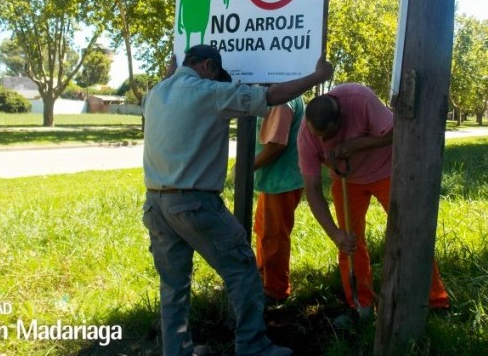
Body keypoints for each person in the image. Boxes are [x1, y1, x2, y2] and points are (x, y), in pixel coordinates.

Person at [142, 45, 332, 356]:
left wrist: (169, 71)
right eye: (217, 74)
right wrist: (317, 76)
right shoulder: (208, 91)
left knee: (173, 285)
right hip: (195, 204)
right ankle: (252, 345)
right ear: (207, 66)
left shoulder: (156, 93)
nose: (218, 80)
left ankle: (176, 350)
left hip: (155, 205)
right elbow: (271, 97)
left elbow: (169, 85)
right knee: (243, 269)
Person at [297, 83, 450, 319]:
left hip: (386, 171)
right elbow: (313, 190)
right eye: (317, 136)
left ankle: (434, 301)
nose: (322, 142)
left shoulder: (359, 98)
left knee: (410, 232)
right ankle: (361, 306)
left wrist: (355, 145)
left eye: (326, 136)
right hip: (347, 181)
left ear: (340, 121)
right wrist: (335, 234)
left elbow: (395, 130)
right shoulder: (307, 135)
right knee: (349, 242)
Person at [253, 95, 305, 304]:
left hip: (282, 181)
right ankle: (263, 275)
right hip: (273, 180)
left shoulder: (283, 100)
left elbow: (276, 144)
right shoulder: (277, 94)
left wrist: (246, 167)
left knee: (274, 236)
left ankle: (276, 291)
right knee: (263, 229)